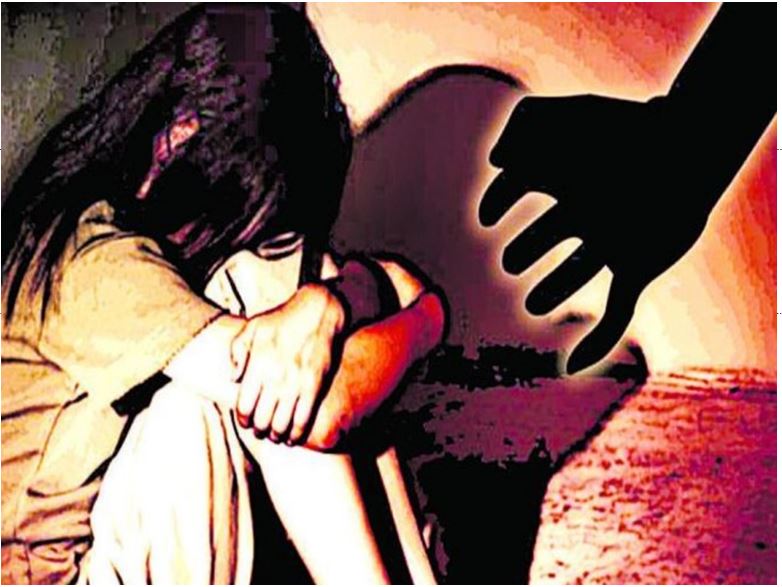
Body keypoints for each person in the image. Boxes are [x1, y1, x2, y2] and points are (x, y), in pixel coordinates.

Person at [1, 4, 444, 584]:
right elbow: (319, 413)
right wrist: (424, 318)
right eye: (240, 212)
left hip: (102, 550)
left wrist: (334, 300)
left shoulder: (128, 223)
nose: (241, 237)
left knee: (288, 305)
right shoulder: (95, 261)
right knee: (211, 403)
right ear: (178, 136)